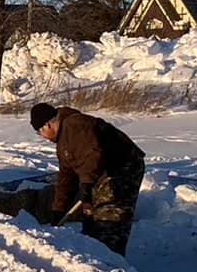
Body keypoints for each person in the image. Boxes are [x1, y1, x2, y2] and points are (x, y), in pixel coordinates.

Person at [29, 100, 146, 258]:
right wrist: (59, 210)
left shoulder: (75, 125)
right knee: (91, 216)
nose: (42, 137)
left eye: (39, 132)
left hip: (122, 168)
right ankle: (92, 255)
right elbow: (66, 178)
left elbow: (92, 155)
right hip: (100, 173)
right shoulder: (63, 142)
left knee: (110, 215)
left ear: (47, 126)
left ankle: (111, 263)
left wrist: (86, 185)